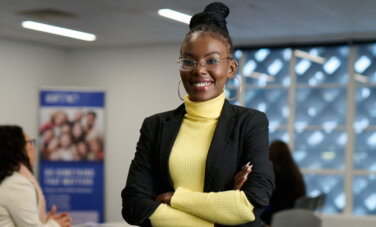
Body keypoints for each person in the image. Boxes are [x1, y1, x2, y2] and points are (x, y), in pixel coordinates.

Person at [121, 2, 275, 227]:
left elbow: (251, 205)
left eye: (211, 60)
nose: (199, 69)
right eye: (189, 61)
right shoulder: (155, 126)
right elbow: (134, 206)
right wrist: (221, 211)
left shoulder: (250, 123)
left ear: (231, 68)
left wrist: (175, 198)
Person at [0, 125, 72, 227]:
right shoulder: (17, 184)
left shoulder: (7, 180)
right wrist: (55, 224)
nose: (34, 149)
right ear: (17, 150)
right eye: (30, 143)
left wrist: (47, 222)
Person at [260, 140, 306, 226]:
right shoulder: (294, 172)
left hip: (277, 216)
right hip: (291, 214)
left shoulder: (277, 175)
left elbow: (269, 200)